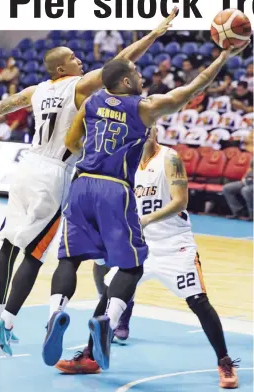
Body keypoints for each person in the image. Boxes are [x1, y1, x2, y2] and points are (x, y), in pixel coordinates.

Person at [41, 38, 249, 374]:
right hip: (115, 193)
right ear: (126, 82)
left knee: (73, 258)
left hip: (91, 191)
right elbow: (194, 87)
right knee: (124, 274)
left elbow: (71, 142)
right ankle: (102, 333)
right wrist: (224, 56)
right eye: (137, 73)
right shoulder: (142, 110)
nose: (142, 77)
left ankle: (57, 314)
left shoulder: (96, 103)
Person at [0, 14, 175, 357]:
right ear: (61, 70)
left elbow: (6, 105)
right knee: (35, 252)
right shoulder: (77, 86)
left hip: (24, 168)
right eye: (73, 60)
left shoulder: (36, 91)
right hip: (53, 172)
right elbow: (121, 62)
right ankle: (6, 322)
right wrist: (154, 32)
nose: (80, 61)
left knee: (7, 243)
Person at [56, 127, 240, 389]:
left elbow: (180, 201)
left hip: (174, 244)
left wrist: (145, 220)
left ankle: (225, 361)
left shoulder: (170, 158)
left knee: (198, 301)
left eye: (149, 130)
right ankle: (90, 357)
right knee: (109, 294)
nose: (145, 134)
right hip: (140, 245)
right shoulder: (123, 164)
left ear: (156, 132)